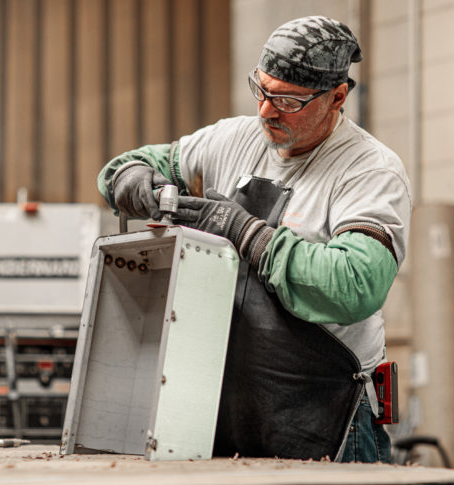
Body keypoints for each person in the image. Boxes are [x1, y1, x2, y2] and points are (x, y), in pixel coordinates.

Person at [98, 15, 411, 463]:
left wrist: (246, 232)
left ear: (338, 96)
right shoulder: (231, 140)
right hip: (226, 407)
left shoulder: (368, 171)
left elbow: (355, 284)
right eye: (261, 90)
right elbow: (133, 162)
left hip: (327, 413)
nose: (266, 110)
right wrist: (132, 177)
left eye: (287, 100)